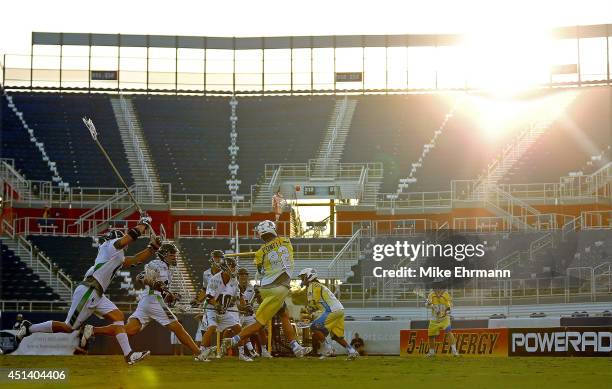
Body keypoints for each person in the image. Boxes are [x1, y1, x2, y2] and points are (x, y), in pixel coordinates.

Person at [17, 217, 157, 365]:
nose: (125, 244)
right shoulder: (110, 246)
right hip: (89, 290)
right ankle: (29, 327)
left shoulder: (116, 256)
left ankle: (129, 355)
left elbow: (135, 259)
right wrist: (143, 224)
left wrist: (152, 248)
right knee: (68, 327)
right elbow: (130, 236)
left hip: (97, 293)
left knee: (118, 316)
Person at [81, 242, 208, 362]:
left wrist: (171, 296)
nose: (174, 257)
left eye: (175, 255)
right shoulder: (157, 264)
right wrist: (153, 283)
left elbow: (161, 290)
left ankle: (93, 330)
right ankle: (199, 353)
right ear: (163, 255)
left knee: (129, 330)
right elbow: (140, 277)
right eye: (171, 255)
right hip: (153, 300)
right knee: (177, 328)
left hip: (150, 300)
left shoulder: (167, 269)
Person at [223, 220, 311, 359]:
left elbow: (261, 270)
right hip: (279, 287)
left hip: (268, 288)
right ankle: (233, 340)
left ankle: (296, 347)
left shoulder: (259, 253)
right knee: (259, 323)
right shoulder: (286, 241)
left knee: (284, 314)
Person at [298, 268, 359, 360]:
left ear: (309, 276)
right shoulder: (319, 285)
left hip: (331, 310)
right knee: (336, 336)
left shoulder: (313, 285)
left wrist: (305, 315)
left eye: (303, 277)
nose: (302, 280)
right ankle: (352, 351)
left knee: (314, 327)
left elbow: (312, 304)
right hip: (339, 310)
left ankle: (329, 349)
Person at [200, 257, 250, 361]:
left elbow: (236, 300)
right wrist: (217, 305)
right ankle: (201, 354)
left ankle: (242, 354)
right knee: (212, 327)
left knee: (238, 328)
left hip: (224, 311)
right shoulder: (214, 280)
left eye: (234, 266)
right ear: (224, 267)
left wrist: (245, 308)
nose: (234, 269)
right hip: (211, 309)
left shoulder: (234, 281)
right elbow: (209, 298)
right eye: (232, 267)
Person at [191, 250, 224, 351]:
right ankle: (206, 350)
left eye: (220, 257)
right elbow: (204, 289)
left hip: (222, 303)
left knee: (228, 328)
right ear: (212, 259)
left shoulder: (225, 273)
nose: (218, 260)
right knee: (205, 328)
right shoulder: (206, 274)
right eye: (216, 257)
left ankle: (222, 349)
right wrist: (197, 300)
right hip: (209, 304)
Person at [237, 267, 272, 358]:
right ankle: (242, 352)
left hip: (249, 315)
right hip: (236, 314)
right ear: (238, 276)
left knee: (261, 328)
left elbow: (261, 302)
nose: (243, 276)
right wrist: (243, 307)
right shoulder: (233, 287)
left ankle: (263, 351)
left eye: (245, 275)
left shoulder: (252, 288)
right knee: (232, 332)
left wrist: (258, 294)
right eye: (241, 275)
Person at [425, 285, 459, 357]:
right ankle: (431, 353)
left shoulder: (446, 295)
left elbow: (449, 306)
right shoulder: (431, 295)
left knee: (449, 332)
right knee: (431, 335)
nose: (437, 289)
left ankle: (454, 352)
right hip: (434, 319)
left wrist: (446, 312)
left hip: (444, 319)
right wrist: (428, 304)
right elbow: (427, 305)